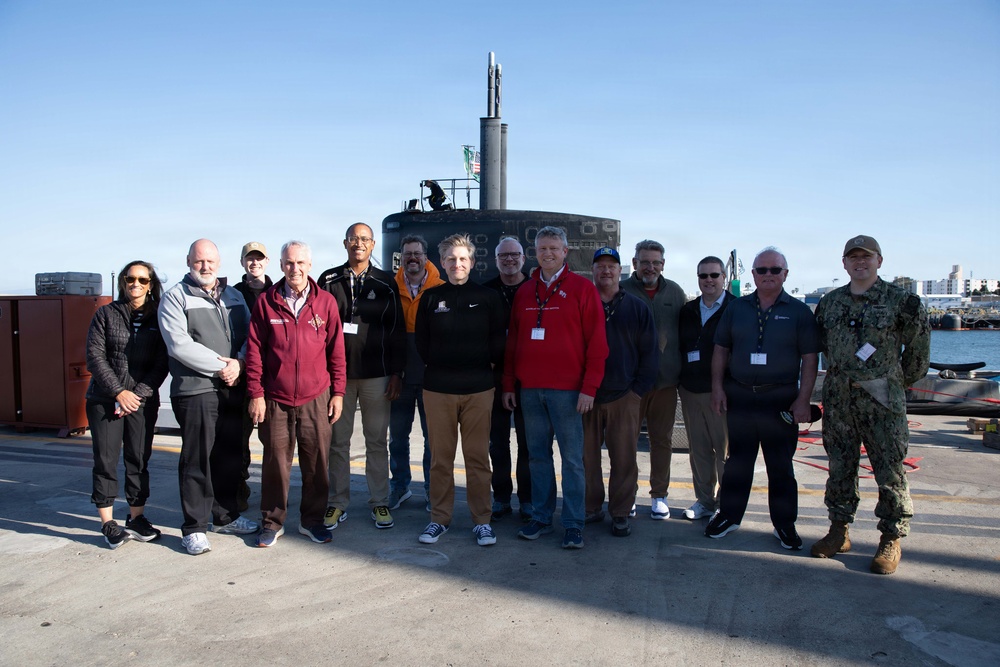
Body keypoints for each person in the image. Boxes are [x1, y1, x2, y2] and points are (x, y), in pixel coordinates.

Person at [812, 235, 930, 574]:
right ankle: (839, 530)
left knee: (889, 469)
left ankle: (891, 537)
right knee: (840, 465)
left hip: (882, 401)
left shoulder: (902, 302)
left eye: (866, 256)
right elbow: (825, 347)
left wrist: (891, 382)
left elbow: (918, 354)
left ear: (880, 260)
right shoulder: (830, 303)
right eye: (853, 257)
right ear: (844, 263)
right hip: (839, 400)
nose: (860, 262)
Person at [707, 247, 819, 551]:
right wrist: (717, 388)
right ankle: (729, 516)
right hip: (741, 396)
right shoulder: (736, 309)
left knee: (780, 466)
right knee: (737, 463)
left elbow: (810, 359)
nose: (768, 275)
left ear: (785, 274)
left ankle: (784, 523)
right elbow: (721, 350)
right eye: (761, 270)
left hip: (780, 399)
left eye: (774, 270)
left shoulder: (799, 312)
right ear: (753, 274)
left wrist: (803, 399)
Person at [503, 226, 608, 549]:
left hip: (569, 392)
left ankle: (574, 523)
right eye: (542, 249)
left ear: (565, 252)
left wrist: (589, 388)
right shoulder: (525, 292)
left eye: (553, 248)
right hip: (530, 390)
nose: (547, 253)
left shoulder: (582, 289)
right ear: (535, 253)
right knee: (537, 457)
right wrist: (509, 383)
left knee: (572, 460)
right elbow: (513, 343)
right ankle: (541, 516)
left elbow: (597, 344)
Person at [159, 239, 260, 555]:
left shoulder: (234, 296)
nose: (205, 266)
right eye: (199, 261)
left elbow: (251, 334)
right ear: (188, 261)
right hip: (197, 390)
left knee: (229, 455)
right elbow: (179, 345)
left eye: (210, 261)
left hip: (233, 387)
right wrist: (224, 367)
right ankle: (194, 527)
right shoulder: (175, 297)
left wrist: (240, 362)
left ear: (219, 262)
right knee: (197, 459)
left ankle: (225, 516)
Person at [246, 241, 347, 547]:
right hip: (275, 398)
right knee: (275, 464)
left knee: (316, 464)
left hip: (316, 397)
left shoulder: (325, 302)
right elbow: (254, 352)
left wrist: (338, 392)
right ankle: (272, 522)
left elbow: (336, 351)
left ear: (310, 265)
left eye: (301, 263)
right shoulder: (266, 302)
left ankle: (312, 521)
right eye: (289, 263)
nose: (295, 269)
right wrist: (256, 394)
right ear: (281, 266)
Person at [415, 234, 507, 546]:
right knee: (440, 459)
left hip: (478, 389)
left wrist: (479, 366)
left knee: (477, 458)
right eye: (451, 259)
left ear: (472, 262)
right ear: (442, 262)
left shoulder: (488, 297)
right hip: (438, 389)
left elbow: (498, 341)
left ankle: (482, 521)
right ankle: (439, 519)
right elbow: (422, 343)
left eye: (463, 258)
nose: (457, 264)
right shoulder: (431, 298)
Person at [318, 223, 405, 530]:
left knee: (377, 442)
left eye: (365, 239)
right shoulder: (328, 280)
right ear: (345, 243)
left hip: (376, 376)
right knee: (337, 443)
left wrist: (397, 372)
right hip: (337, 379)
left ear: (372, 245)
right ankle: (336, 502)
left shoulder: (385, 282)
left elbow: (396, 330)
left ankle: (379, 501)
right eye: (354, 239)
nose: (359, 243)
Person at [86, 261, 169, 549]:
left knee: (138, 460)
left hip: (142, 402)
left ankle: (136, 518)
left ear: (151, 284)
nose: (136, 284)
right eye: (131, 278)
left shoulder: (159, 317)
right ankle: (108, 523)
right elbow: (95, 357)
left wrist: (136, 395)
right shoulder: (105, 314)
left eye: (143, 280)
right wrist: (119, 392)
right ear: (123, 281)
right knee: (105, 461)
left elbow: (162, 362)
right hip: (104, 400)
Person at [582, 247, 658, 537]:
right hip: (586, 397)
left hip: (624, 395)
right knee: (587, 458)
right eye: (600, 266)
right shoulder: (582, 302)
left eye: (611, 266)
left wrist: (636, 392)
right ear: (593, 270)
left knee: (624, 459)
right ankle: (591, 507)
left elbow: (650, 353)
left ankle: (621, 512)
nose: (606, 271)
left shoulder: (637, 307)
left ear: (620, 270)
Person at [620, 239, 687, 520]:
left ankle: (659, 495)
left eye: (655, 262)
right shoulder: (622, 291)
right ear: (635, 263)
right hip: (631, 384)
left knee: (662, 441)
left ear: (663, 264)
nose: (650, 267)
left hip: (665, 383)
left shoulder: (676, 292)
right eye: (645, 262)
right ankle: (628, 495)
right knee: (627, 442)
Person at [388, 234, 443, 511]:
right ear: (401, 257)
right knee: (398, 438)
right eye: (408, 253)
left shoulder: (441, 289)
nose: (412, 258)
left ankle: (432, 491)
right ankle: (400, 486)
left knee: (433, 440)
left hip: (431, 378)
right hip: (400, 377)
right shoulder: (390, 287)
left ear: (425, 256)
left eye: (417, 253)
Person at [677, 256, 732, 521]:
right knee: (698, 450)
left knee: (724, 451)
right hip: (690, 390)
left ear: (724, 277)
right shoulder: (687, 310)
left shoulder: (736, 308)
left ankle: (725, 504)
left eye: (714, 275)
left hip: (722, 392)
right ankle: (705, 501)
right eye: (703, 276)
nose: (708, 280)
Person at [482, 236, 533, 521]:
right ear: (496, 260)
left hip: (528, 376)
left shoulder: (535, 289)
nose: (509, 259)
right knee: (498, 443)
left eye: (514, 255)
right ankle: (501, 497)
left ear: (523, 258)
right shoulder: (486, 291)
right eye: (504, 256)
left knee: (528, 443)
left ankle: (527, 499)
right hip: (495, 377)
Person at [233, 241, 273, 513]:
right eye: (250, 258)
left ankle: (272, 494)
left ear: (267, 262)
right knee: (238, 440)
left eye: (259, 258)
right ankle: (240, 490)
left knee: (273, 441)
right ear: (243, 262)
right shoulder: (232, 294)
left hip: (271, 378)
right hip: (241, 378)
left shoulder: (278, 292)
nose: (255, 263)